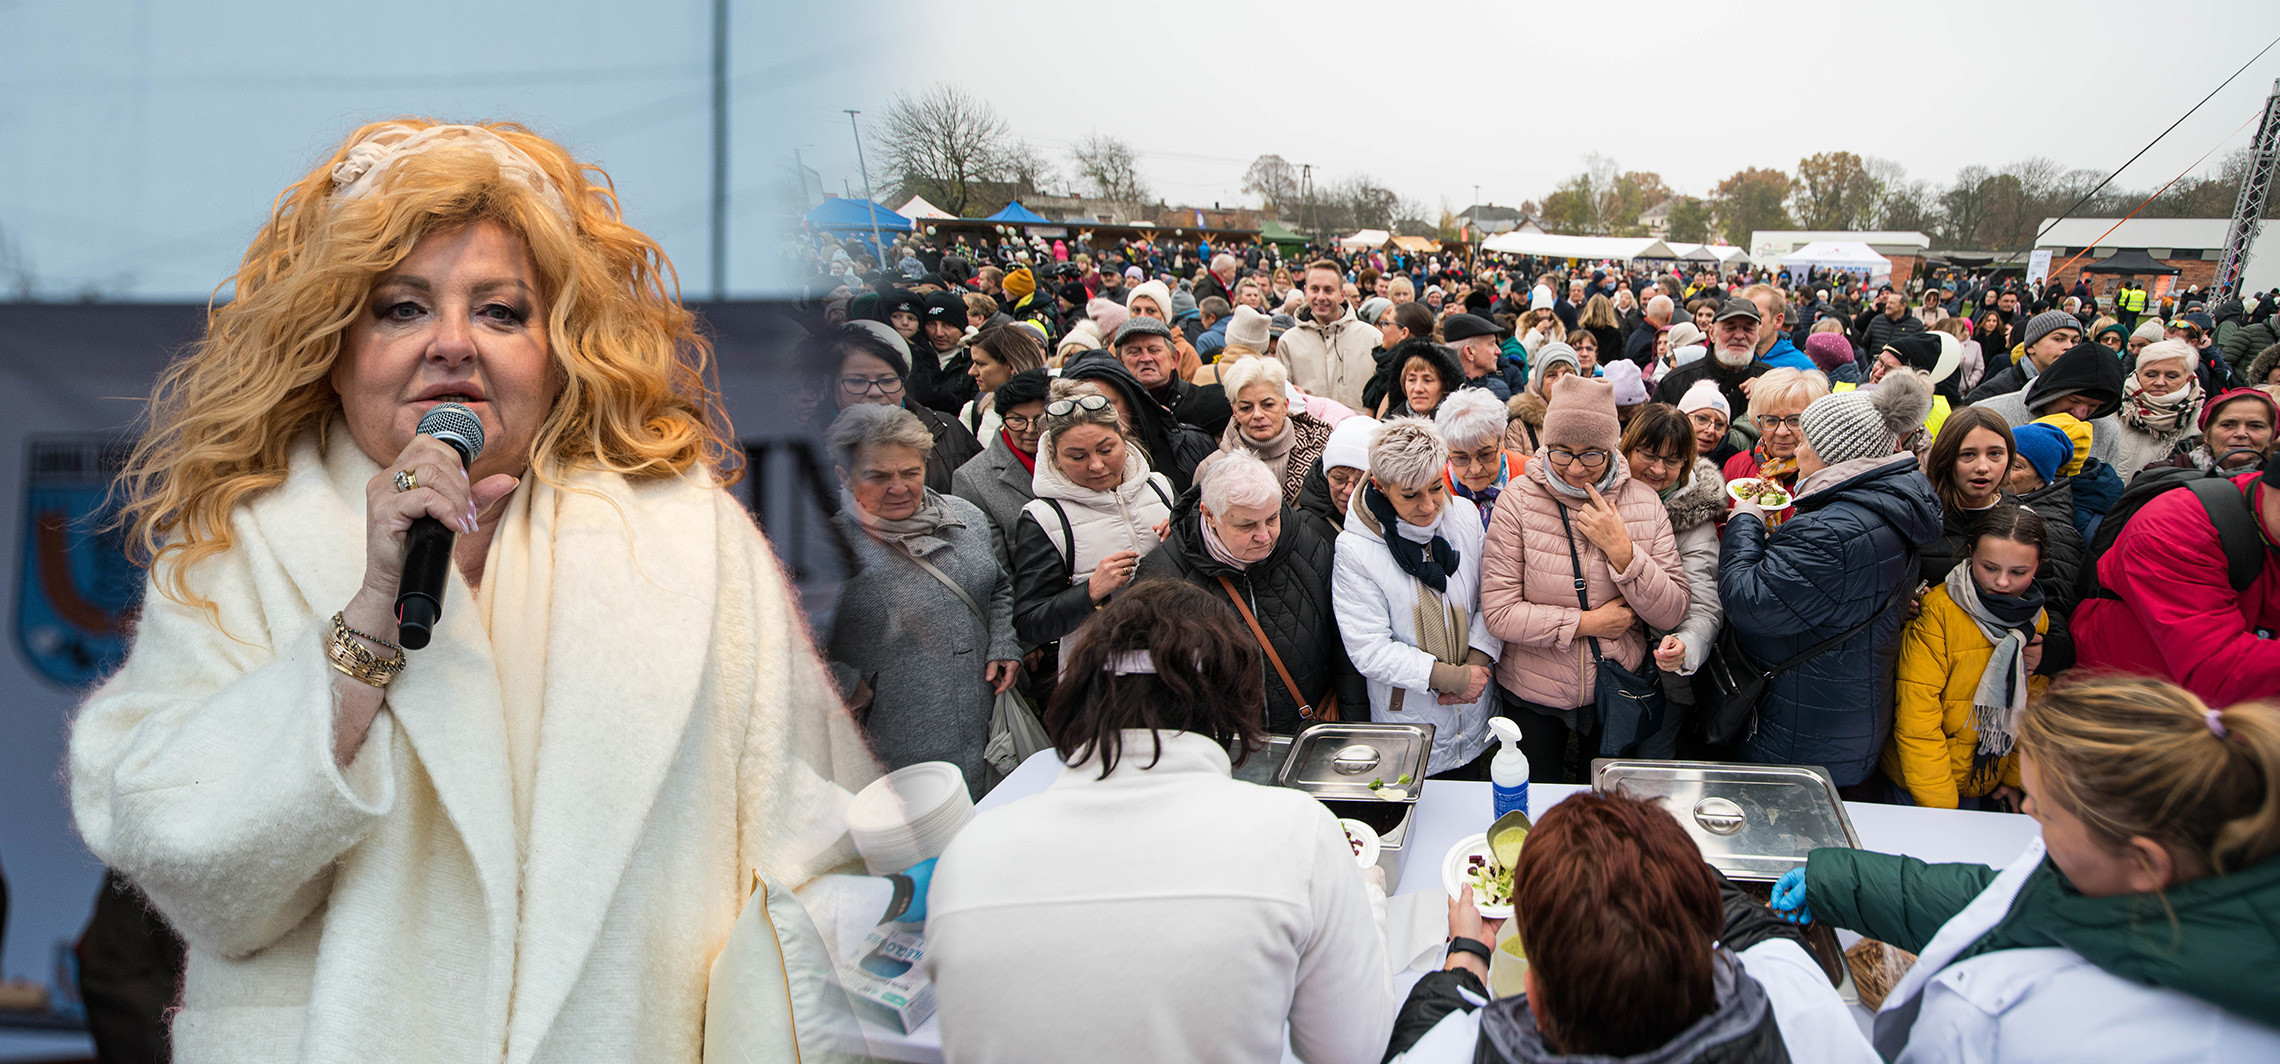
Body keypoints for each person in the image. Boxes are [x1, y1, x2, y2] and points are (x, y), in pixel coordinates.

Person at [70, 120, 873, 1064]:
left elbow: (825, 867)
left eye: (501, 312)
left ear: (561, 347)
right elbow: (191, 866)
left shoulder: (692, 542)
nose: (453, 344)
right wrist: (368, 619)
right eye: (402, 309)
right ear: (334, 343)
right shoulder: (234, 550)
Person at [925, 581, 1394, 1064]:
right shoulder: (1297, 834)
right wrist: (1368, 900)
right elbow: (1352, 1049)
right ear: (1232, 700)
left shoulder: (971, 851)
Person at [1781, 675, 2280, 1060]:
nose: (2026, 813)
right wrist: (1840, 882)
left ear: (2146, 862)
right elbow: (2008, 902)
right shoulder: (2166, 874)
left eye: (2046, 811)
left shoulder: (2018, 1023)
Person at [1384, 791, 1876, 1064]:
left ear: (1532, 997)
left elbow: (1417, 1039)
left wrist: (1468, 952)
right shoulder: (1799, 1005)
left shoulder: (1458, 1050)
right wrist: (1648, 857)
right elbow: (1761, 932)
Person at [1719, 371, 1940, 785]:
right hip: (1842, 709)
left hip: (1803, 725)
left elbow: (1749, 601)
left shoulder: (1831, 529)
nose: (1795, 446)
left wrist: (1746, 518)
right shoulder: (1886, 502)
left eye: (1804, 438)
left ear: (1831, 452)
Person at [1481, 375, 1689, 782]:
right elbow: (1500, 614)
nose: (1576, 468)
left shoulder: (1642, 502)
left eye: (1592, 455)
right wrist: (1587, 624)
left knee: (1601, 811)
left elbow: (1671, 611)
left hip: (1615, 693)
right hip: (1534, 694)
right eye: (1562, 453)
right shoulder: (1518, 501)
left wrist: (1623, 552)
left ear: (1612, 447)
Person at [826, 406, 1018, 797]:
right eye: (877, 476)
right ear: (844, 476)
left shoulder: (966, 517)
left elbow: (997, 586)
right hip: (893, 747)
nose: (899, 487)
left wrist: (1003, 642)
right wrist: (848, 683)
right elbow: (791, 646)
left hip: (983, 724)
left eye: (910, 473)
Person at [1138, 452, 1359, 734]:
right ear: (1209, 515)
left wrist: (1352, 730)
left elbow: (1345, 646)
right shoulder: (1163, 576)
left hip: (1306, 734)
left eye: (1271, 518)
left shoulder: (1307, 546)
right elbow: (1150, 685)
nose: (1265, 536)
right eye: (1246, 525)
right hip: (1219, 749)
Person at [1332, 419, 1501, 778]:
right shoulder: (1356, 549)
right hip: (1410, 716)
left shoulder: (1466, 518)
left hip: (1472, 707)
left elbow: (1491, 597)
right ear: (1380, 486)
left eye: (1436, 488)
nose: (1428, 506)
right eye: (1410, 495)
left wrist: (1475, 664)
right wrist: (1449, 678)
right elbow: (1369, 647)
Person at [2073, 452, 2280, 704]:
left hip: (2201, 713)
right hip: (2130, 711)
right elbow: (2219, 672)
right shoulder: (2174, 527)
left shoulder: (2269, 519)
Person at [1886, 504, 2052, 809]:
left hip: (1985, 778)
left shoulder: (2035, 620)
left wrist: (2014, 778)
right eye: (1990, 568)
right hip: (1925, 786)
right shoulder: (1938, 612)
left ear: (2038, 565)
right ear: (1971, 554)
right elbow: (1916, 715)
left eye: (2019, 572)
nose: (2002, 582)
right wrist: (1940, 805)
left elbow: (2031, 707)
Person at [1008, 381, 1176, 653]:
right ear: (1054, 453)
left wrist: (1186, 539)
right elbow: (1030, 625)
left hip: (1176, 654)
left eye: (1106, 450)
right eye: (1077, 456)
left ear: (1122, 434)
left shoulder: (1160, 487)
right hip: (1100, 674)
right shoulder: (1045, 518)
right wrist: (1090, 592)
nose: (1096, 465)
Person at [1919, 407, 2083, 669]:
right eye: (1968, 455)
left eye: (1995, 454)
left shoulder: (2024, 520)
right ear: (1946, 458)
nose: (1983, 467)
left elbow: (2053, 603)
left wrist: (2050, 652)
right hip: (1930, 667)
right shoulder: (1919, 518)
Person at [1621, 405, 1724, 753]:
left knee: (1651, 764)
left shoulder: (1695, 523)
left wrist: (1685, 646)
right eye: (1648, 454)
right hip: (1604, 667)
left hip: (1662, 678)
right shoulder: (1601, 496)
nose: (1658, 469)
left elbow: (1705, 606)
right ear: (1627, 446)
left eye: (1673, 460)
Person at [809, 322, 982, 494]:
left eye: (887, 381)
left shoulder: (947, 431)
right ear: (829, 385)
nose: (875, 392)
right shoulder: (804, 447)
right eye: (858, 382)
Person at [1060, 354, 1217, 495]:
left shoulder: (1189, 444)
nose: (1096, 417)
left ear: (1130, 402)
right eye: (1078, 457)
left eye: (1107, 405)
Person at [1198, 356, 1332, 508]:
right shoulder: (1213, 468)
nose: (1258, 414)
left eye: (1268, 405)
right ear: (1234, 411)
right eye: (1246, 408)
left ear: (1285, 406)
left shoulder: (1323, 453)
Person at [952, 367, 1050, 569]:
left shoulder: (1076, 458)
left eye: (1040, 419)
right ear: (1003, 419)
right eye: (1017, 420)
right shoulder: (972, 479)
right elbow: (996, 569)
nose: (1030, 429)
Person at [1973, 340, 2128, 467]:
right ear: (2051, 392)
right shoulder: (1989, 413)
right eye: (2074, 401)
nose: (2080, 414)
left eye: (2094, 406)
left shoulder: (2107, 430)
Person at [1722, 367, 1831, 510]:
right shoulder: (1736, 465)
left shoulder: (1823, 476)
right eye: (1771, 421)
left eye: (1794, 421)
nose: (1781, 432)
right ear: (1757, 423)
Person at [1282, 258, 1381, 410]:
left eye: (1328, 290)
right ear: (1306, 292)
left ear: (1342, 295)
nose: (1321, 297)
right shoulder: (1288, 342)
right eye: (1315, 289)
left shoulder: (1372, 338)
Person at [1111, 315, 1230, 438]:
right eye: (1134, 351)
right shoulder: (1113, 412)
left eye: (1154, 350)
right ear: (1120, 363)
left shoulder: (1206, 403)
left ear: (1174, 359)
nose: (1146, 358)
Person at [1652, 297, 1772, 418]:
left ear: (1758, 336)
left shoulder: (1770, 382)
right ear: (1711, 333)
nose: (1739, 336)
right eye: (1730, 328)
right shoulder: (1676, 382)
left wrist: (1766, 394)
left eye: (1748, 329)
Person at [2111, 338, 2207, 480]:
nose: (2160, 382)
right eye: (2151, 374)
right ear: (2138, 374)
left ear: (2188, 378)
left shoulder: (2200, 422)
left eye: (2172, 376)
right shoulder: (2113, 407)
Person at [1433, 389, 1527, 527]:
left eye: (1485, 455)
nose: (1475, 469)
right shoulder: (1434, 490)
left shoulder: (1529, 475)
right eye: (1461, 458)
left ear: (1501, 441)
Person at [2148, 387, 2278, 473]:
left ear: (2271, 437)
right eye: (2228, 425)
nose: (2241, 434)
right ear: (2207, 435)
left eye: (2255, 426)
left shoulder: (2274, 485)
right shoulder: (2160, 476)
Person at [1965, 309, 2082, 404]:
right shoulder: (1999, 391)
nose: (2069, 346)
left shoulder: (2076, 389)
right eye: (2058, 339)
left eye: (2075, 341)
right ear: (2031, 346)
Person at [958, 321, 1046, 442]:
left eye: (981, 364)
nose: (972, 372)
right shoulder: (974, 412)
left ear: (1011, 367)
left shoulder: (1056, 411)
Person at [1502, 341, 1579, 453]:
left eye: (1568, 374)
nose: (1560, 380)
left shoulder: (1593, 416)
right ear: (1540, 384)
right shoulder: (1520, 426)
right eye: (1552, 375)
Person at [1377, 337, 1463, 419]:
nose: (1418, 389)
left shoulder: (1462, 429)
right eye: (1412, 380)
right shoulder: (1388, 427)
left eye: (1427, 380)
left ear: (1445, 386)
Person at [1678, 378, 1739, 467]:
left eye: (1719, 424)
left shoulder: (1734, 464)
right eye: (1702, 419)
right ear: (1682, 418)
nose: (1711, 430)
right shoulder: (1658, 451)